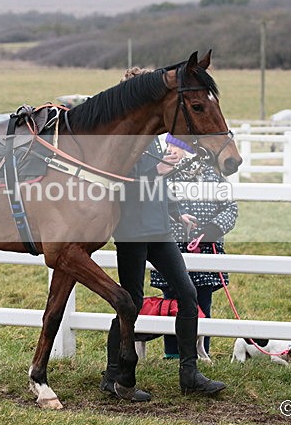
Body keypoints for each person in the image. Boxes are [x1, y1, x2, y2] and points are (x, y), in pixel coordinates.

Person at [101, 69, 227, 401]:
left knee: (187, 293)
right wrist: (159, 169)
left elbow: (158, 180)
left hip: (158, 227)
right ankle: (112, 375)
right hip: (132, 229)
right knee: (131, 302)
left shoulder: (153, 133)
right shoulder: (122, 134)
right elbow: (122, 180)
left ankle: (189, 374)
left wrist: (174, 211)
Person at [149, 133, 238, 359]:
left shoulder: (212, 176)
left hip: (205, 248)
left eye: (176, 147)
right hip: (172, 248)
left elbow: (230, 208)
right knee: (172, 299)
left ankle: (201, 350)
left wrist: (211, 231)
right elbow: (154, 204)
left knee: (203, 298)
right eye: (168, 146)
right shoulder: (164, 176)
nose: (170, 150)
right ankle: (173, 352)